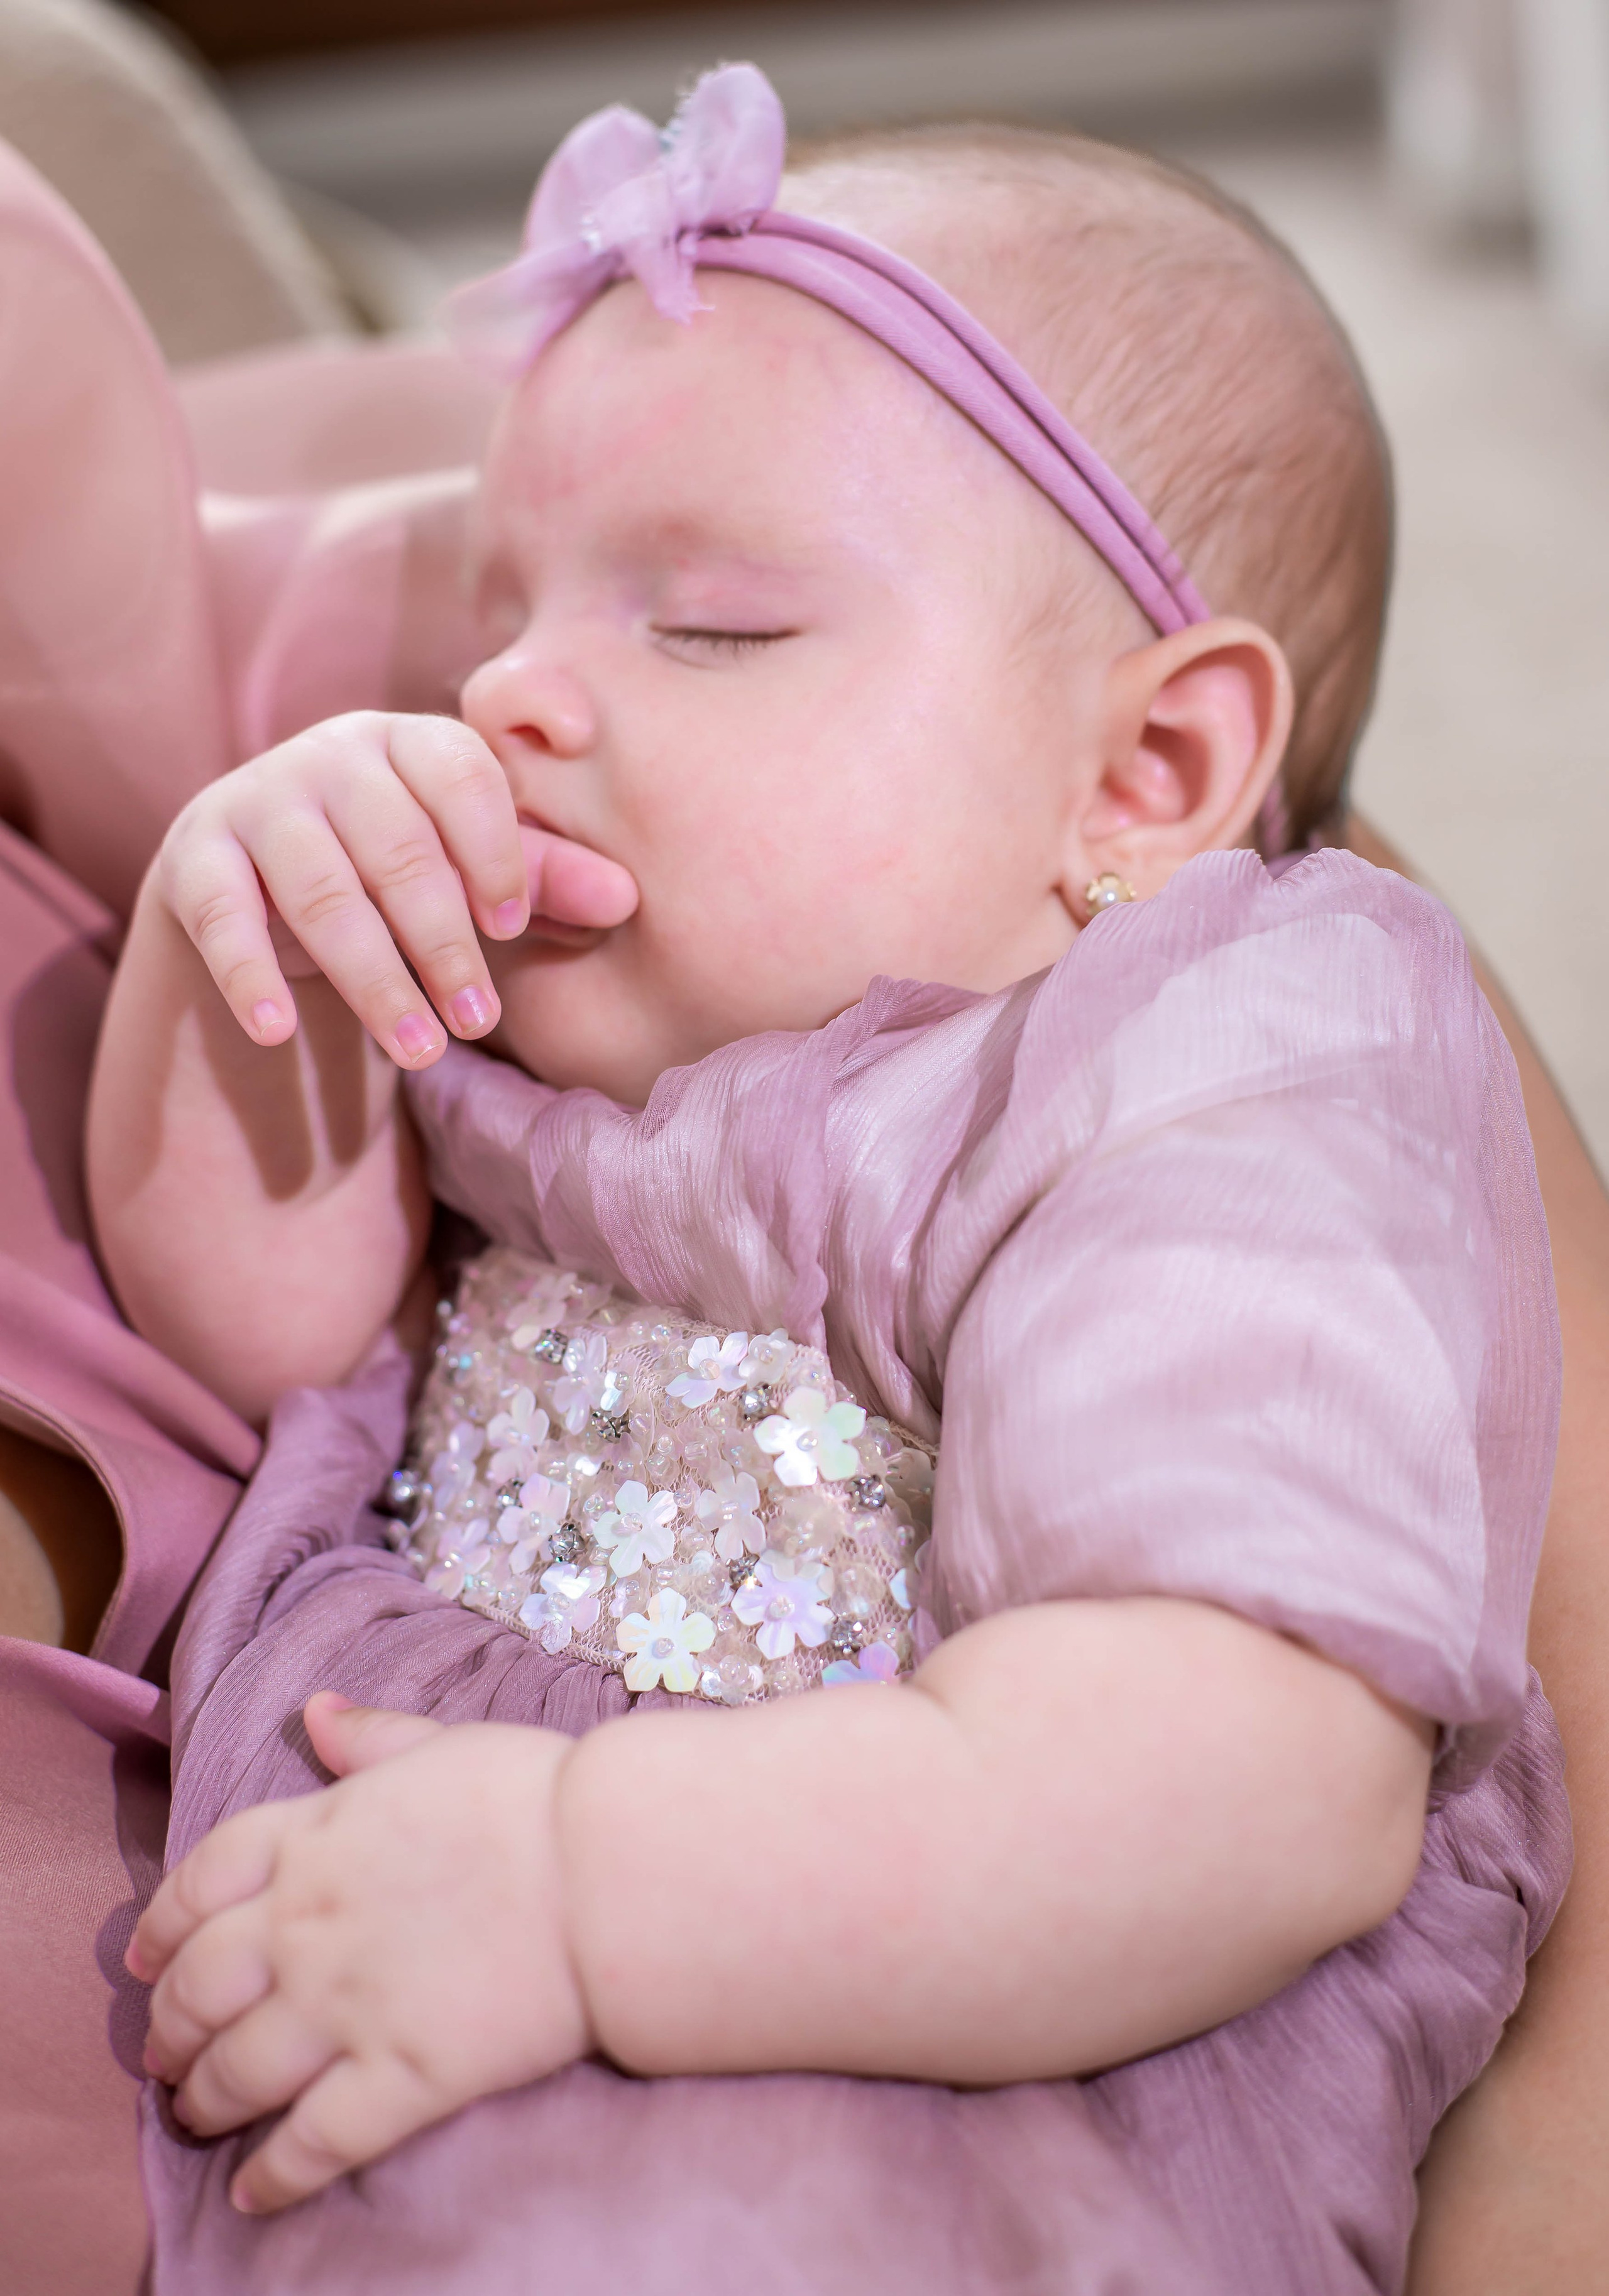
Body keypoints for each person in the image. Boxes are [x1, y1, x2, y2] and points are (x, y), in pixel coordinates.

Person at [84, 67, 1566, 2295]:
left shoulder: (1204, 1072)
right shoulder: (554, 1053)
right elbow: (252, 1331)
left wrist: (590, 1888)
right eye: (509, 609)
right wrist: (243, 937)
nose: (511, 695)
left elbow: (1251, 1788)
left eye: (708, 628)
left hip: (962, 2112)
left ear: (1145, 776)